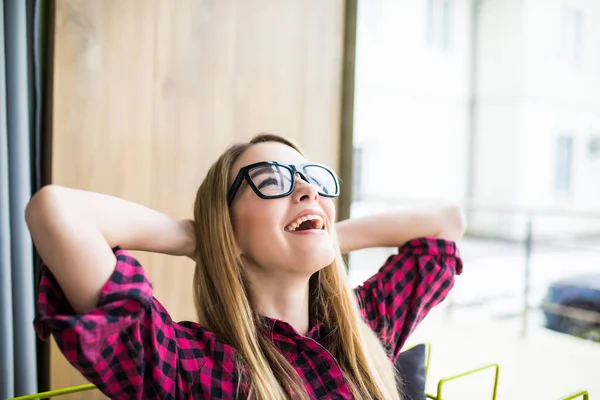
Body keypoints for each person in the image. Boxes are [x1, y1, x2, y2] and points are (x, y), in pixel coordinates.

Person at [26, 133, 465, 400]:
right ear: (228, 230)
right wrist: (201, 238)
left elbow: (446, 225)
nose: (308, 189)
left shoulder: (364, 329)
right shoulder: (191, 366)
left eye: (311, 178)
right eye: (273, 180)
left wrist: (323, 234)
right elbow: (58, 212)